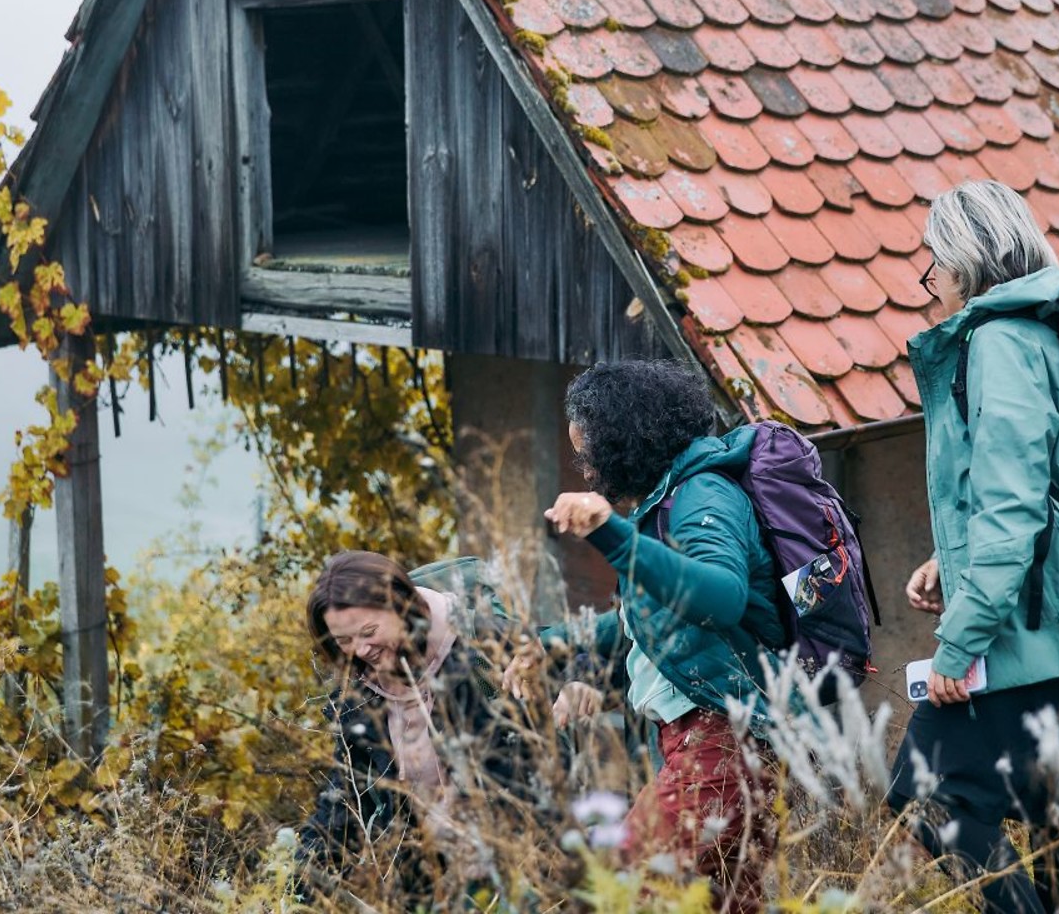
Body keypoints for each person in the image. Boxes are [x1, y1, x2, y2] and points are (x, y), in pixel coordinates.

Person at [886, 180, 1059, 913]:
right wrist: (955, 560)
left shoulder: (1001, 343)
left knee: (925, 794)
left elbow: (1012, 510)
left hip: (1050, 631)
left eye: (932, 262)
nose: (929, 281)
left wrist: (958, 641)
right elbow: (1041, 488)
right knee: (1056, 824)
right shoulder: (1041, 329)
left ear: (966, 260)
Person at [506, 359, 789, 914]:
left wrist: (607, 533)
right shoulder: (670, 499)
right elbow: (650, 619)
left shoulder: (702, 497)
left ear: (626, 440)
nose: (583, 470)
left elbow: (722, 597)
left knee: (611, 891)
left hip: (722, 743)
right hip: (710, 742)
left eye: (587, 454)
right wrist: (555, 640)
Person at [299, 551, 557, 904]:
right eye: (344, 641)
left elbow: (563, 654)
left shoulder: (480, 647)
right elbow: (346, 796)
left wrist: (577, 685)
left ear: (402, 607)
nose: (361, 650)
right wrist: (299, 880)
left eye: (369, 631)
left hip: (522, 863)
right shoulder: (360, 697)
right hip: (427, 882)